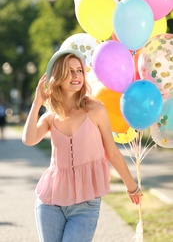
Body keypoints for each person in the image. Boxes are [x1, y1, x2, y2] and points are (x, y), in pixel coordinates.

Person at [22, 49, 142, 242]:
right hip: (50, 203)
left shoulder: (95, 110)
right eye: (70, 71)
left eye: (79, 70)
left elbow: (112, 151)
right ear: (58, 76)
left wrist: (132, 186)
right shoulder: (51, 117)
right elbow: (28, 140)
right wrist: (37, 102)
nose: (76, 76)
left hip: (85, 205)